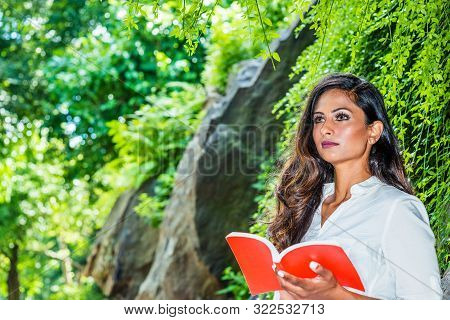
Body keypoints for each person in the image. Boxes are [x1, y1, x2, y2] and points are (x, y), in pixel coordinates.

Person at [267, 73, 443, 300]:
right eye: (319, 119)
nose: (325, 129)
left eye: (341, 117)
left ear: (373, 131)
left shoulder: (396, 208)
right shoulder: (306, 204)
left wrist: (338, 295)